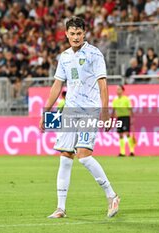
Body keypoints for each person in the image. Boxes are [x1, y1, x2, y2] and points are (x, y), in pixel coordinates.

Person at [39, 17, 120, 219]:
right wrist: (46, 111)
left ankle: (112, 196)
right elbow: (57, 85)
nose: (75, 37)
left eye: (79, 33)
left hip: (90, 110)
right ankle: (60, 208)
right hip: (70, 111)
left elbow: (103, 84)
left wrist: (105, 111)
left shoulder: (94, 54)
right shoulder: (64, 57)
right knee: (65, 157)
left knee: (83, 156)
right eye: (72, 33)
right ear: (66, 34)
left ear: (84, 34)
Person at [112, 85, 136, 157]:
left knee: (127, 133)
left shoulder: (126, 99)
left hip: (126, 117)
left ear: (122, 90)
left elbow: (130, 109)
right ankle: (122, 152)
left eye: (119, 89)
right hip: (119, 118)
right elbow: (114, 111)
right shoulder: (115, 100)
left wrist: (132, 118)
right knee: (120, 134)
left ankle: (132, 151)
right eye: (117, 89)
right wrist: (112, 119)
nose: (117, 91)